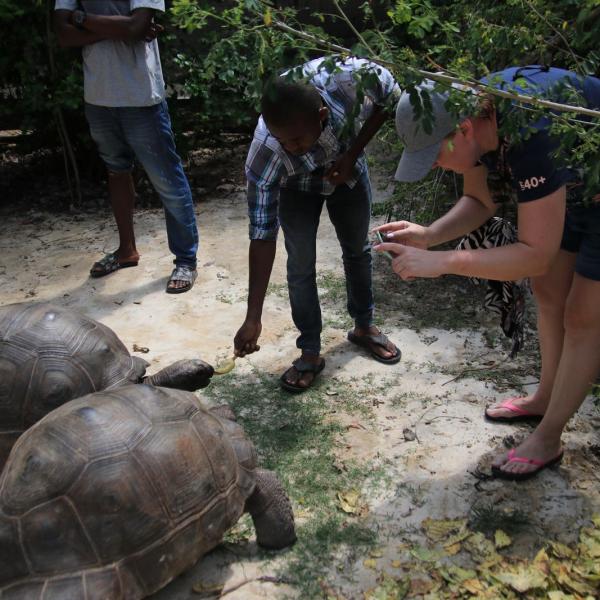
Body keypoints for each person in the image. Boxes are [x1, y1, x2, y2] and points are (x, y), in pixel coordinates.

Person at [374, 66, 600, 480]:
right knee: (549, 294)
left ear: (461, 130)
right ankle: (545, 398)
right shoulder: (476, 119)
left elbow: (535, 254)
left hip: (584, 177)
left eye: (436, 154)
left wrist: (444, 263)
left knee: (584, 315)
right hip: (576, 184)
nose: (438, 166)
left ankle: (549, 437)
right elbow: (480, 200)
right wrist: (430, 236)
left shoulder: (531, 128)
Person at [233, 56, 402, 392]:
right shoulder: (266, 152)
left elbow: (393, 98)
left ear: (321, 116)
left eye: (297, 141)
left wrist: (352, 153)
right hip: (296, 188)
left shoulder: (352, 80)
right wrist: (253, 317)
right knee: (300, 265)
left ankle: (364, 327)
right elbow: (262, 235)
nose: (290, 148)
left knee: (357, 250)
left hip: (348, 171)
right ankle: (310, 350)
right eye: (284, 142)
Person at [54, 0, 199, 293]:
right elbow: (63, 34)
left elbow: (136, 28)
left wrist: (81, 18)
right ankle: (126, 251)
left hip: (141, 97)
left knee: (167, 180)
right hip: (98, 97)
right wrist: (118, 28)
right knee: (116, 172)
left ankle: (186, 259)